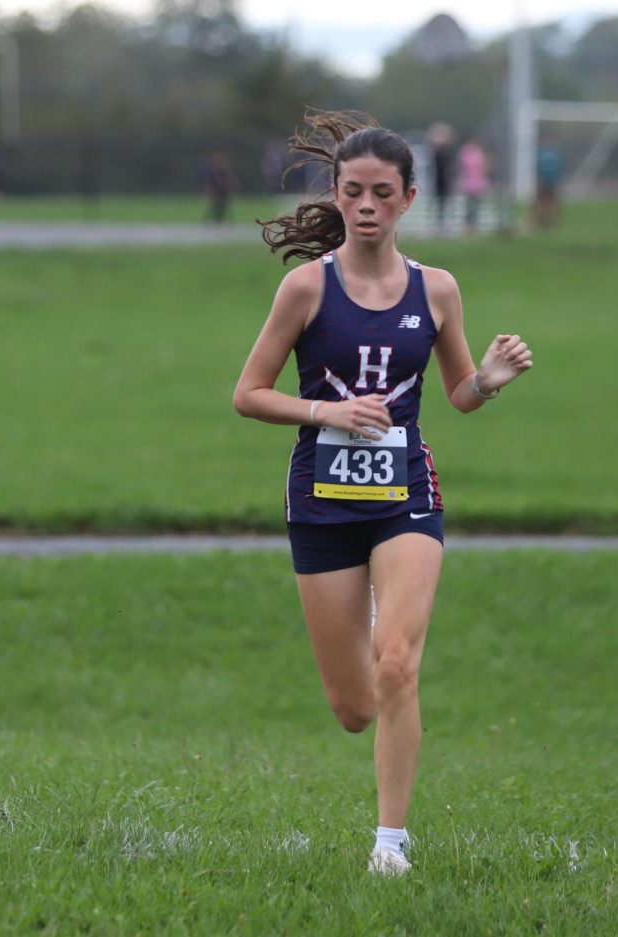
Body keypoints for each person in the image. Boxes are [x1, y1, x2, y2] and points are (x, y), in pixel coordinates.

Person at [233, 111, 533, 877]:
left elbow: (459, 393)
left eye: (381, 193)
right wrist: (325, 410)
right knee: (353, 707)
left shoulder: (437, 290)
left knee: (398, 663)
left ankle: (390, 846)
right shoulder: (306, 287)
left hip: (406, 495)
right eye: (353, 192)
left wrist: (488, 383)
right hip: (322, 503)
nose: (366, 205)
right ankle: (366, 618)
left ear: (406, 199)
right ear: (336, 196)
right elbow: (248, 393)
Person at [457, 134, 490, 234]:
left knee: (474, 205)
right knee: (471, 205)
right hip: (471, 182)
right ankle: (470, 225)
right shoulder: (469, 151)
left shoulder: (475, 151)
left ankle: (472, 225)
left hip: (476, 181)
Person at [530, 137, 564, 231]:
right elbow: (559, 171)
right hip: (552, 183)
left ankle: (535, 223)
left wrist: (538, 184)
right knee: (552, 204)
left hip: (543, 184)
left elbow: (538, 171)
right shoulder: (556, 157)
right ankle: (552, 224)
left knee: (540, 203)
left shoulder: (540, 156)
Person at [202, 150, 239, 223]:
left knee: (224, 206)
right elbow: (210, 180)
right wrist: (209, 188)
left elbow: (229, 179)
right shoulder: (212, 169)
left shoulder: (224, 168)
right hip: (215, 190)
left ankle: (222, 220)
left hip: (224, 190)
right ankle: (216, 219)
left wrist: (231, 186)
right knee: (215, 206)